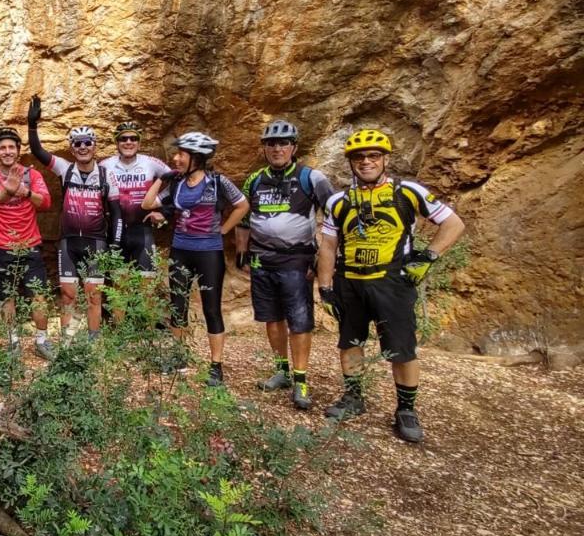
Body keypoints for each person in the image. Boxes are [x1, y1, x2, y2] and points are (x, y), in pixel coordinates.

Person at [317, 129, 465, 443]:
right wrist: (325, 287)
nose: (366, 161)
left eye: (373, 156)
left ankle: (406, 409)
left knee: (401, 347)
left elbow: (453, 223)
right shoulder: (338, 201)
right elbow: (328, 246)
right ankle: (354, 397)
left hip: (392, 281)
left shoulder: (407, 192)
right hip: (351, 282)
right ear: (351, 162)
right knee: (349, 342)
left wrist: (427, 257)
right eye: (359, 157)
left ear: (385, 159)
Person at [234, 120, 335, 411]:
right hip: (262, 258)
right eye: (271, 144)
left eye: (283, 143)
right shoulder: (254, 180)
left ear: (294, 147)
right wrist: (242, 252)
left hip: (296, 259)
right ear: (263, 148)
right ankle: (282, 370)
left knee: (299, 320)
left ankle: (301, 379)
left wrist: (324, 257)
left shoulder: (311, 178)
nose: (277, 148)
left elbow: (335, 216)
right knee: (271, 317)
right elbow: (243, 219)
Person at [143, 133, 248, 386]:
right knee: (178, 306)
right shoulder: (177, 184)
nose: (176, 158)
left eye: (182, 154)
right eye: (177, 153)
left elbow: (243, 205)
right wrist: (161, 179)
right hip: (181, 250)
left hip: (209, 252)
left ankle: (216, 365)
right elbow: (147, 204)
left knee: (211, 308)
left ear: (197, 158)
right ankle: (179, 356)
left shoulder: (217, 182)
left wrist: (223, 230)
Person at [26, 96, 120, 339]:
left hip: (96, 243)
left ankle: (93, 340)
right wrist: (32, 125)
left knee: (94, 294)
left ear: (95, 146)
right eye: (77, 143)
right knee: (68, 294)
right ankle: (68, 341)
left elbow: (117, 213)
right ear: (71, 148)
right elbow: (37, 151)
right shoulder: (65, 169)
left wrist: (115, 244)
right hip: (68, 242)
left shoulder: (106, 175)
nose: (83, 147)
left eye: (87, 142)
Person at [0, 126, 55, 359]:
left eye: (11, 147)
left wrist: (25, 192)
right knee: (6, 297)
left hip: (29, 244)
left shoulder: (32, 175)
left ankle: (42, 341)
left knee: (38, 295)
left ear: (19, 150)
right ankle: (13, 342)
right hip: (0, 246)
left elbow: (46, 204)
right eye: (2, 147)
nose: (7, 151)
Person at [99, 121, 170, 278]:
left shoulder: (151, 163)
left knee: (146, 288)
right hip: (115, 233)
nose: (128, 142)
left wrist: (162, 209)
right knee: (118, 288)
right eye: (123, 139)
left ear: (139, 142)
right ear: (116, 143)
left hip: (143, 231)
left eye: (133, 138)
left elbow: (178, 183)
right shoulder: (104, 165)